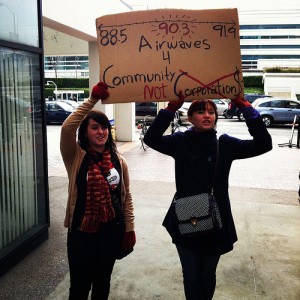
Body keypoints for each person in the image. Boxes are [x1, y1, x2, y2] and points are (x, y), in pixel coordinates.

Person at [144, 92, 272, 300]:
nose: (207, 115)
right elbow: (151, 139)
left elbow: (263, 144)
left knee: (207, 274)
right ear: (190, 117)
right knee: (191, 274)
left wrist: (247, 108)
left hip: (216, 219)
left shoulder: (226, 144)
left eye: (211, 112)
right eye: (201, 111)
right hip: (186, 217)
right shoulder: (180, 141)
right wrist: (169, 109)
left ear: (216, 117)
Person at [60, 82, 136, 300]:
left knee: (102, 284)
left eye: (104, 127)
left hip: (111, 232)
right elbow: (67, 128)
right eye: (94, 127)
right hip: (81, 233)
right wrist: (92, 99)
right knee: (79, 287)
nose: (101, 132)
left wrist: (129, 228)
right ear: (85, 132)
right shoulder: (75, 156)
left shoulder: (118, 161)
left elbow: (126, 196)